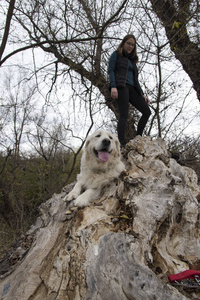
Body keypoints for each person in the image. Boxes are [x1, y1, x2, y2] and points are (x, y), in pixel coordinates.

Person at [108, 34, 151, 147]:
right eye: (128, 43)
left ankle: (138, 138)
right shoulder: (116, 54)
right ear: (123, 43)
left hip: (133, 89)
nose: (130, 46)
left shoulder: (133, 62)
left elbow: (136, 80)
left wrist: (142, 95)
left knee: (147, 112)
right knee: (124, 114)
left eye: (133, 44)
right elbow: (111, 70)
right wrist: (113, 86)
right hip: (121, 86)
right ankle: (121, 143)